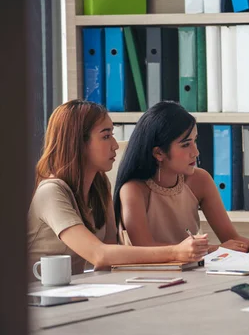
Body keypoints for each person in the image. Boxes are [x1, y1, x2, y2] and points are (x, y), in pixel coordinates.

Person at [28, 100, 208, 280]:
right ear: (78, 143)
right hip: (34, 299)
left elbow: (111, 257)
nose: (115, 145)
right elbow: (99, 255)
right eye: (106, 136)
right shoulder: (51, 192)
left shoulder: (100, 185)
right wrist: (175, 252)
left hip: (73, 291)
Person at [114, 101, 249, 256]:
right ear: (159, 153)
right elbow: (144, 248)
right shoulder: (133, 190)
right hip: (145, 278)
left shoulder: (200, 180)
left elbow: (231, 239)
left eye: (195, 141)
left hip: (190, 273)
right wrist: (213, 250)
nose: (196, 152)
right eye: (185, 145)